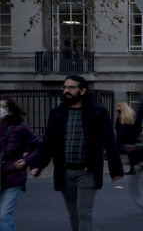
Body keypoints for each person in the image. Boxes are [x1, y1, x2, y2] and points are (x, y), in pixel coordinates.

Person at [29, 75, 124, 231]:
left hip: (88, 171)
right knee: (73, 213)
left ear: (82, 90)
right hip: (64, 171)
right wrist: (38, 165)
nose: (66, 91)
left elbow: (109, 141)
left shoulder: (97, 113)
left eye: (71, 88)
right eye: (65, 87)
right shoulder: (57, 113)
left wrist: (116, 169)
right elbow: (48, 143)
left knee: (84, 212)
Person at [0, 98, 42, 231]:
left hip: (13, 176)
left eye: (3, 107)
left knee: (4, 216)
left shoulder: (19, 128)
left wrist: (25, 161)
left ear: (10, 111)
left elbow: (39, 146)